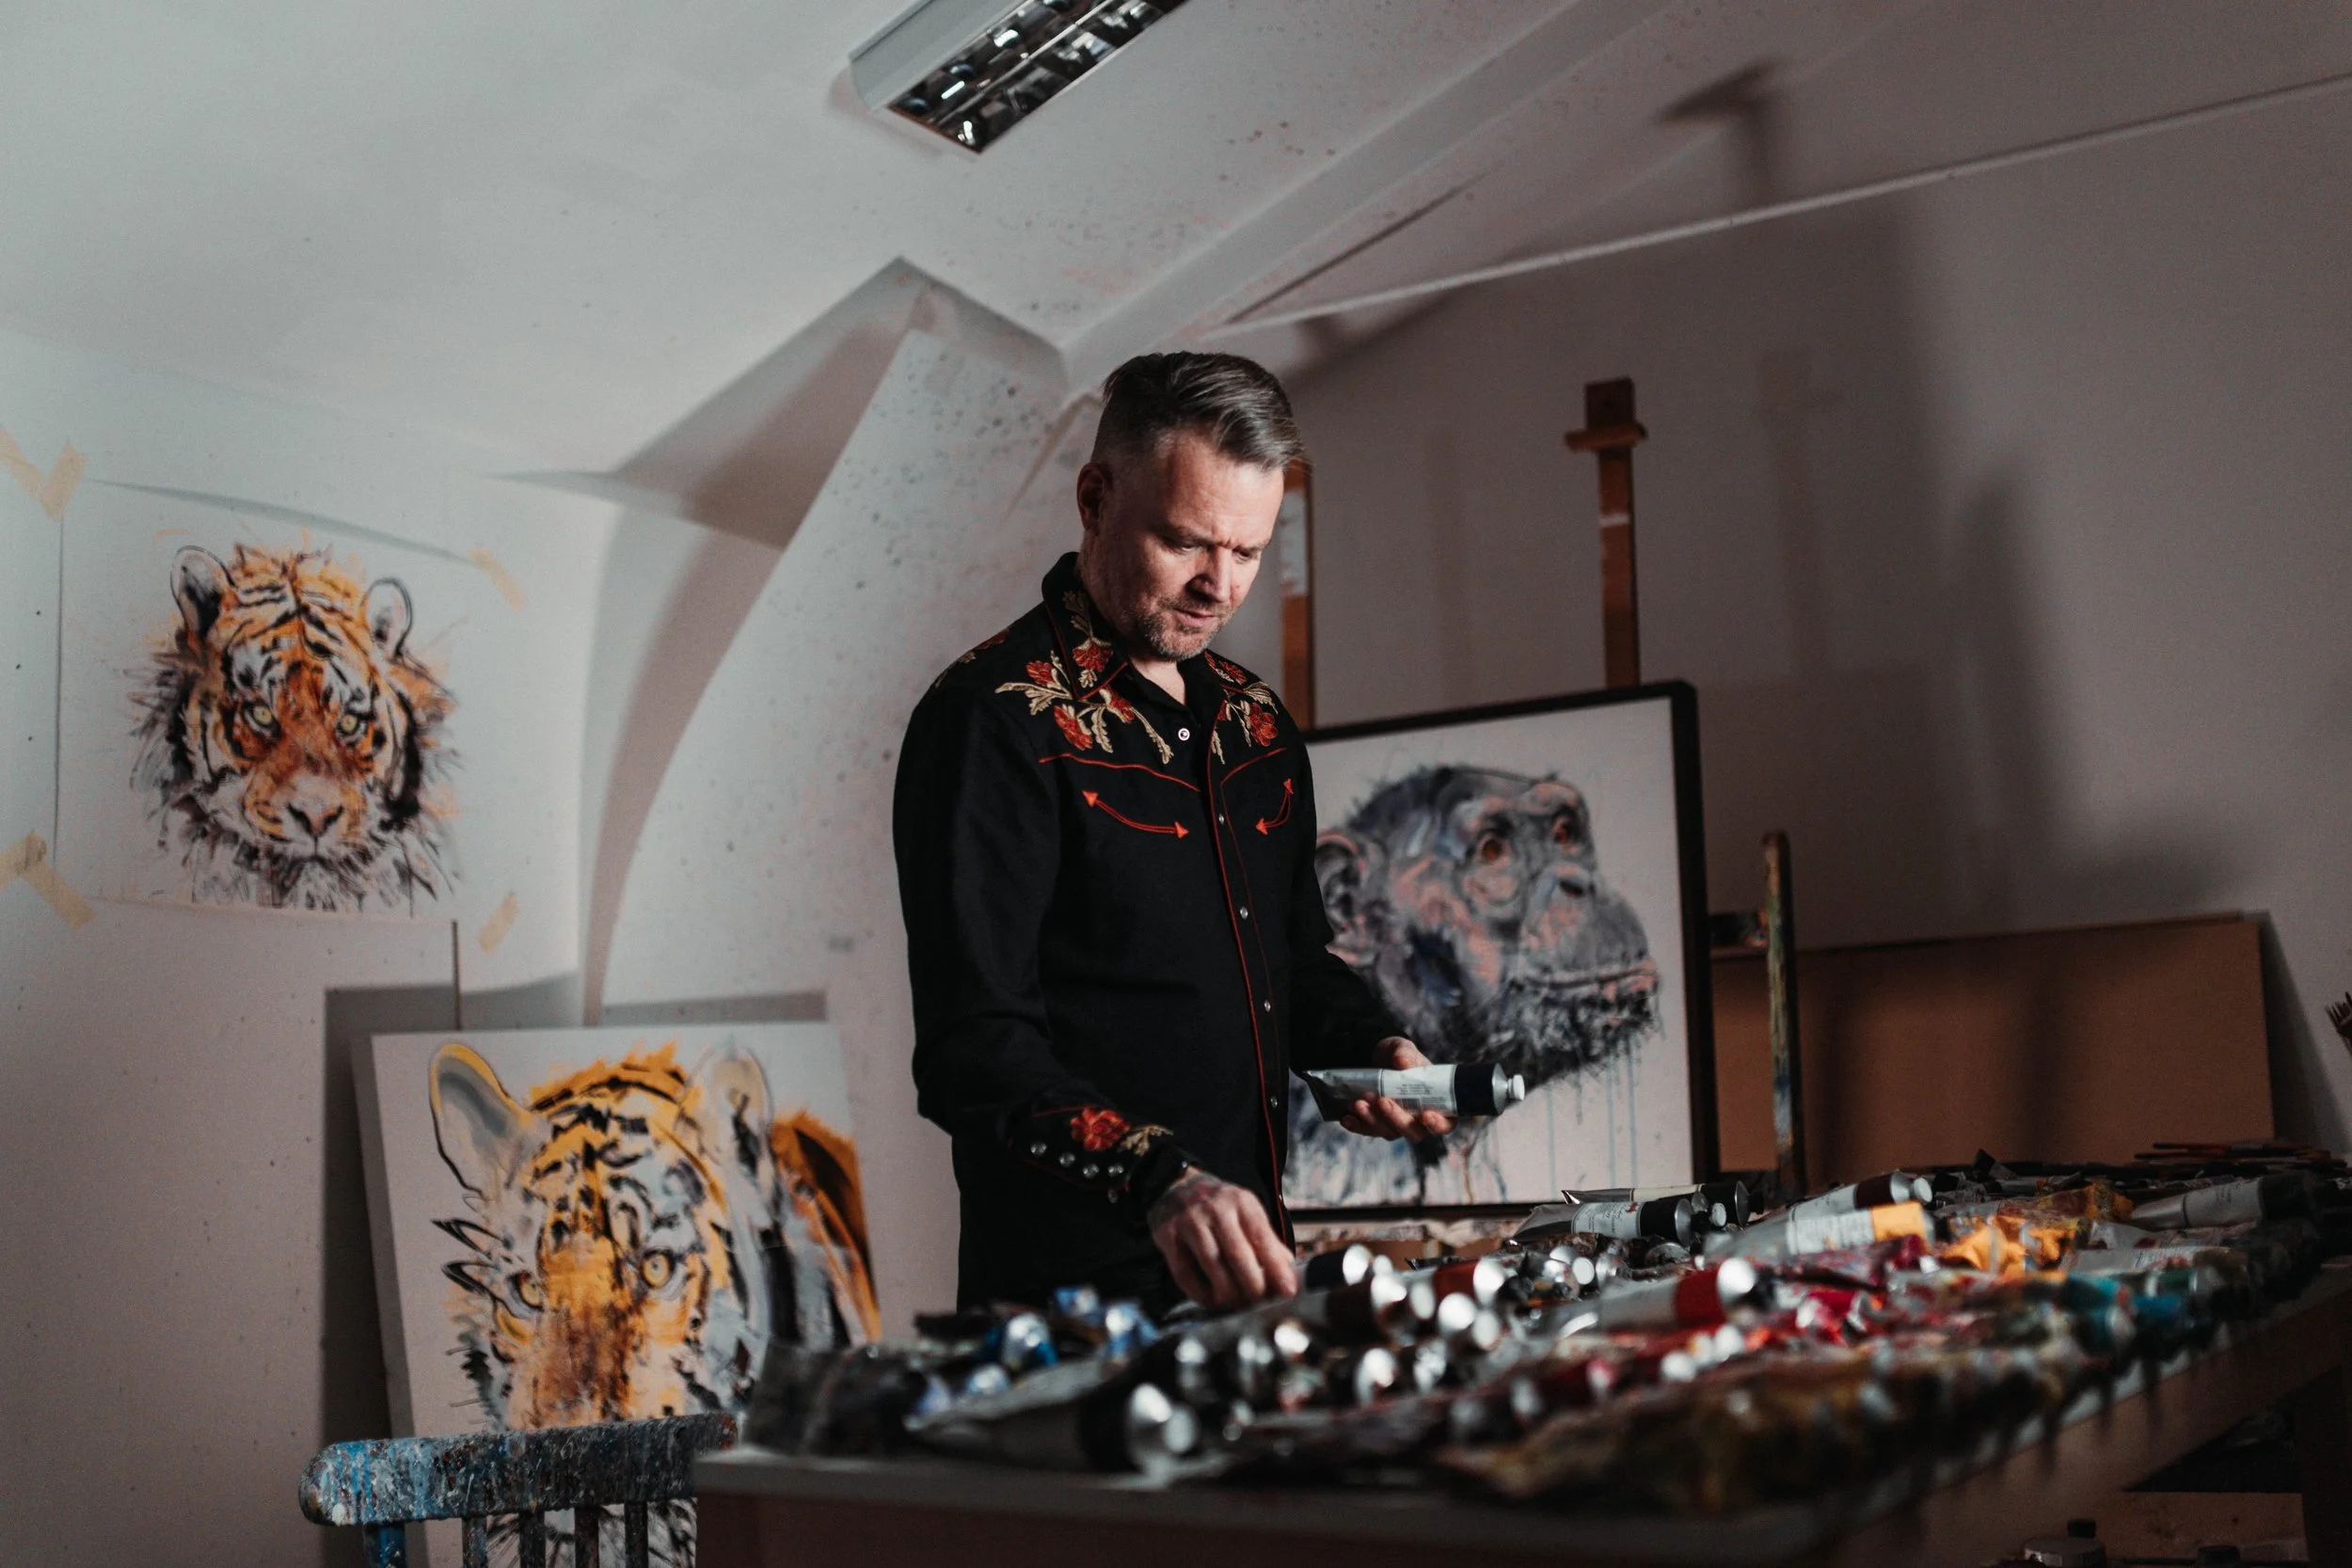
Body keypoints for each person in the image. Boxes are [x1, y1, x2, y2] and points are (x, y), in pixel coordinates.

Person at [894, 351, 1449, 1315]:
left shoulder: (1256, 723)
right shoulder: (990, 719)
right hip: (1064, 1309)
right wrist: (1160, 1177)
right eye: (1187, 542)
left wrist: (1365, 1046)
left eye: (1246, 551)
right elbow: (971, 1046)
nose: (1219, 586)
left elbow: (1294, 964)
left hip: (1254, 1280)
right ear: (1095, 496)